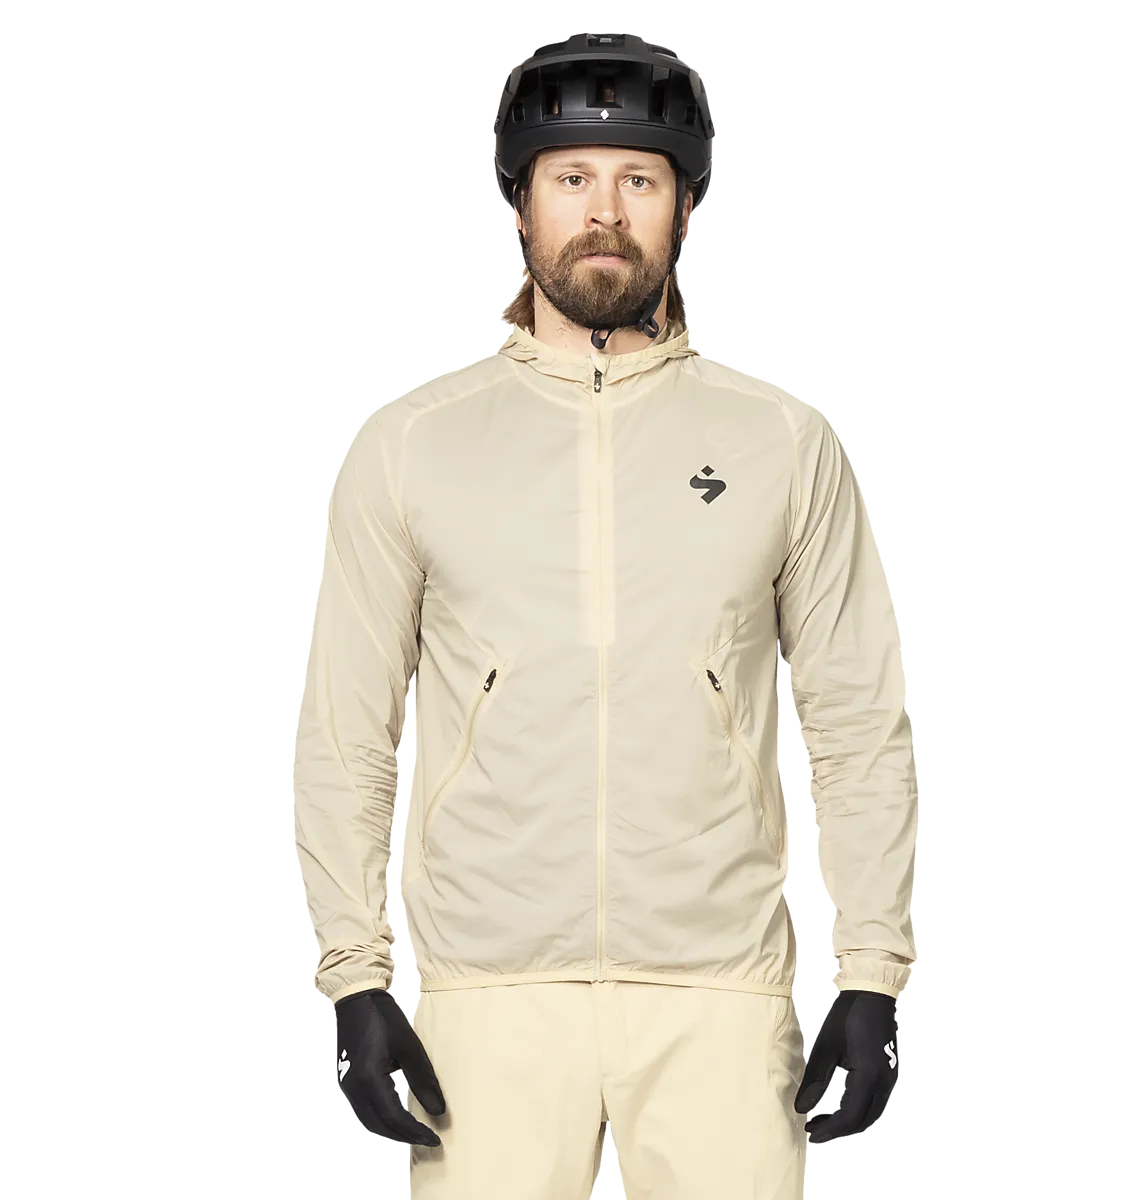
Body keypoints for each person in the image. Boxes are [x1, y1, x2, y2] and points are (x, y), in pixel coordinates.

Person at [292, 32, 918, 1199]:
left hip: (720, 987)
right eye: (571, 177)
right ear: (518, 200)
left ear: (686, 205)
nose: (605, 213)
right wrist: (356, 980)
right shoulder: (412, 443)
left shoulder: (781, 441)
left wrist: (873, 975)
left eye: (640, 179)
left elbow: (855, 724)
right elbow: (346, 732)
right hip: (490, 992)